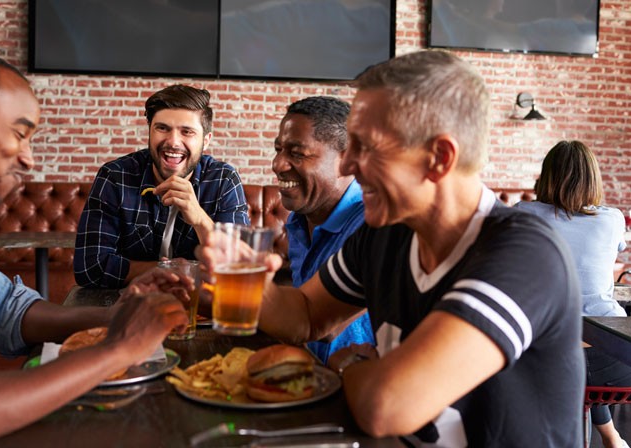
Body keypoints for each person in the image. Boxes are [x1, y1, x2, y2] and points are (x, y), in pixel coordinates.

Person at [199, 50, 584, 446]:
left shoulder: (525, 254)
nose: (348, 166)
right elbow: (307, 315)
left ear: (439, 158)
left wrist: (346, 367)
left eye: (367, 148)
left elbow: (387, 407)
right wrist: (247, 283)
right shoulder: (386, 233)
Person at [0, 45, 190, 447]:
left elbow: (4, 308)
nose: (30, 159)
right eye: (19, 134)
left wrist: (113, 317)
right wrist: (117, 350)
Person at [74, 84, 249, 289]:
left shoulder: (224, 180)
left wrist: (200, 219)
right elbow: (89, 268)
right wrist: (172, 271)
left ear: (206, 140)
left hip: (202, 311)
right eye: (162, 128)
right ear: (150, 132)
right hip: (128, 307)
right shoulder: (115, 177)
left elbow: (240, 269)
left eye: (187, 132)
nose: (173, 142)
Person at [515, 140, 630, 448]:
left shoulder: (523, 214)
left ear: (547, 176)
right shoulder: (613, 218)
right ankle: (611, 436)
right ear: (593, 178)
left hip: (542, 355)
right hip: (616, 361)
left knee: (576, 348)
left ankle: (605, 436)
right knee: (592, 339)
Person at [272, 96, 374, 364]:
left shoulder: (371, 223)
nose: (277, 164)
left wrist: (224, 283)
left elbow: (319, 327)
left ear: (347, 160)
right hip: (311, 376)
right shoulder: (298, 218)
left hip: (355, 386)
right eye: (278, 150)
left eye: (297, 153)